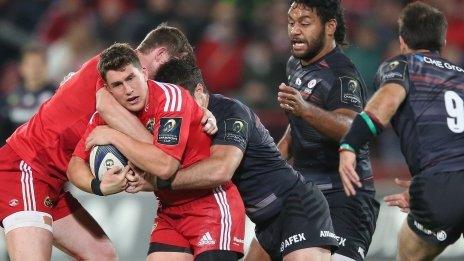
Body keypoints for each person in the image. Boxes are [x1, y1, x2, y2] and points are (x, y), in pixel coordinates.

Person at [0, 24, 209, 260]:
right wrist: (160, 151)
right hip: (26, 168)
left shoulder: (136, 91)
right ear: (160, 54)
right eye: (171, 67)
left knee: (102, 255)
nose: (170, 78)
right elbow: (106, 107)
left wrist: (202, 114)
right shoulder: (114, 66)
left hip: (53, 181)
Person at [130, 57, 339, 261]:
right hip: (265, 223)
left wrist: (159, 181)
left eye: (181, 104)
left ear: (200, 92)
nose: (176, 112)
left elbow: (221, 170)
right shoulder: (173, 124)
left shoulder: (230, 112)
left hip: (297, 208)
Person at [70, 43, 244, 261]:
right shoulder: (105, 116)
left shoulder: (171, 99)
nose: (128, 90)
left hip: (210, 205)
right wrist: (99, 186)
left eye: (131, 78)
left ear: (144, 73)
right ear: (108, 89)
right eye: (118, 85)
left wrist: (114, 137)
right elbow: (75, 164)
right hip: (169, 210)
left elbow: (165, 166)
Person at [338, 2, 464, 260]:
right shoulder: (461, 75)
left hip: (441, 184)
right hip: (444, 180)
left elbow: (385, 103)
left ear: (402, 39)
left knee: (407, 253)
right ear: (441, 40)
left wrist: (350, 145)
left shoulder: (403, 65)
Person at [276, 1, 379, 260]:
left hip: (345, 198)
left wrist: (305, 109)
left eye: (305, 23)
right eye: (291, 23)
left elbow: (352, 128)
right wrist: (272, 164)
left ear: (330, 26)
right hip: (304, 191)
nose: (295, 31)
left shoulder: (343, 74)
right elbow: (296, 126)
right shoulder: (294, 65)